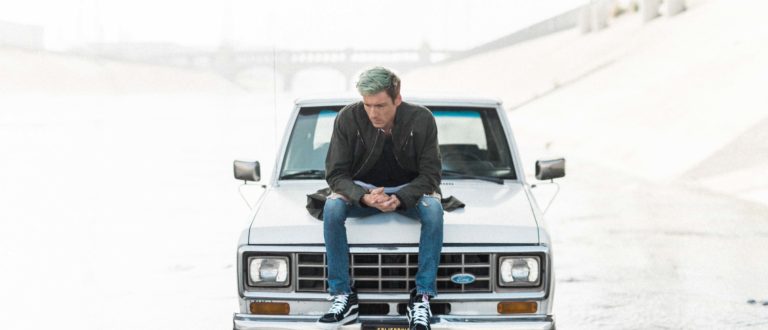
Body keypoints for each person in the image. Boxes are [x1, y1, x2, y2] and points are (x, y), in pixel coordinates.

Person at [315, 67, 443, 330]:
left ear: (397, 98)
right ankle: (342, 295)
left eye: (381, 105)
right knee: (332, 207)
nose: (373, 113)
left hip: (409, 190)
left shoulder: (422, 119)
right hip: (363, 190)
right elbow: (336, 174)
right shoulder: (347, 118)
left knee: (434, 210)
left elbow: (431, 174)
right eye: (367, 105)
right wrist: (363, 197)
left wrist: (400, 198)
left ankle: (422, 297)